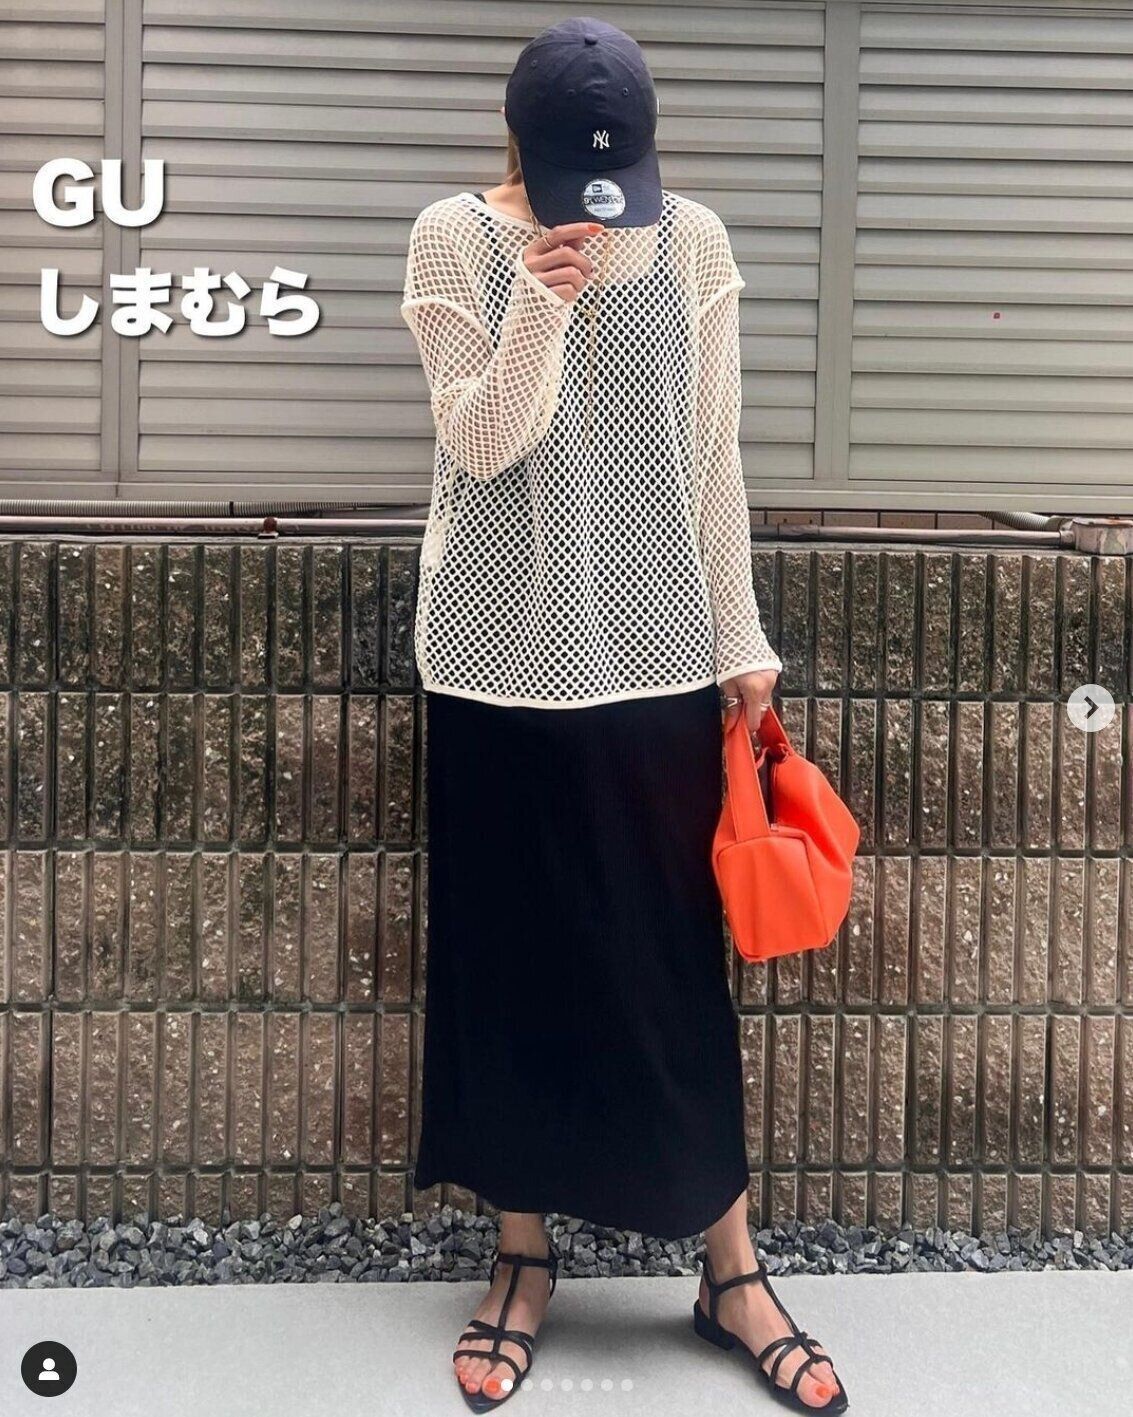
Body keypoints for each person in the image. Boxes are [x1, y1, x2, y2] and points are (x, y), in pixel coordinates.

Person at [399, 17, 848, 1413]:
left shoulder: (692, 241)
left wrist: (742, 638)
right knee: (509, 958)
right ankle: (521, 1255)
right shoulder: (451, 237)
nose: (599, 204)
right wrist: (542, 303)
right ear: (520, 143)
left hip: (658, 657)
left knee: (670, 971)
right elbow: (479, 442)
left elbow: (712, 453)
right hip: (494, 658)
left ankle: (730, 1270)